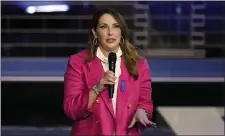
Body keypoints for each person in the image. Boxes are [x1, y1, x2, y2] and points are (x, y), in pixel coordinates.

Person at [63, 8, 156, 136]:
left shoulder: (138, 63)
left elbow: (145, 102)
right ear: (95, 33)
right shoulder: (78, 62)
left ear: (121, 32)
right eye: (104, 27)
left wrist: (142, 112)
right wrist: (97, 88)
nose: (110, 32)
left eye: (115, 26)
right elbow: (71, 110)